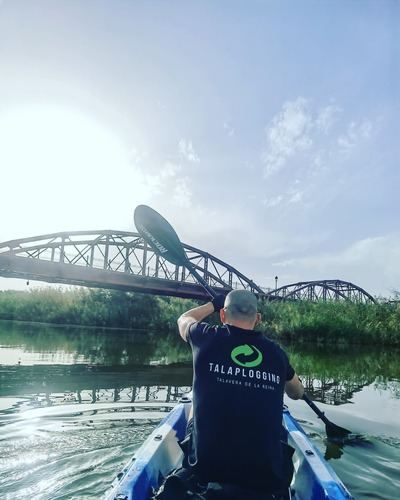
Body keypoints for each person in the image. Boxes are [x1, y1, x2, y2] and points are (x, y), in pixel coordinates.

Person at [175, 289, 305, 499]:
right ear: (258, 319)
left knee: (194, 404)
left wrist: (213, 304)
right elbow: (297, 393)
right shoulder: (277, 354)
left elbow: (184, 319)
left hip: (207, 471)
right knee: (278, 420)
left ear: (223, 316)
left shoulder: (205, 337)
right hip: (266, 478)